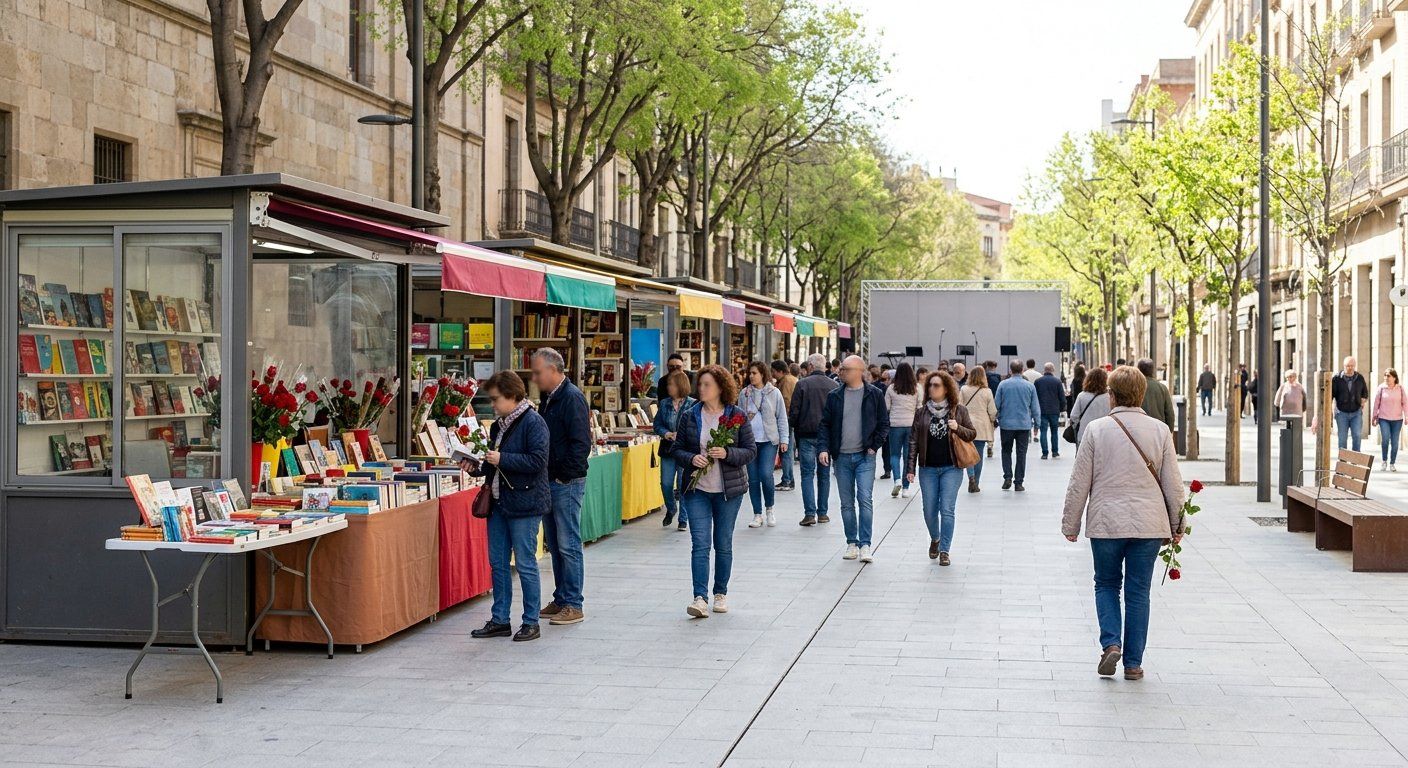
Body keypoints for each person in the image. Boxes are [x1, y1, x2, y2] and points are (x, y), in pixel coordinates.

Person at [1061, 365, 1184, 681]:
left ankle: (1111, 642)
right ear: (1142, 394)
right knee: (1139, 591)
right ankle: (1133, 663)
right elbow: (1173, 483)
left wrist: (1070, 523)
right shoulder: (1159, 431)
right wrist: (1177, 524)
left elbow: (1079, 481)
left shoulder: (1098, 429)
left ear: (1111, 396)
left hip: (1106, 523)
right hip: (1149, 524)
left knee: (1106, 583)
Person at [465, 371, 551, 643]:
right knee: (497, 563)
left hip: (525, 503)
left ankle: (531, 621)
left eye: (496, 399)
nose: (492, 405)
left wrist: (503, 458)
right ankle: (500, 618)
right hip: (499, 502)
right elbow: (494, 466)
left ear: (513, 397)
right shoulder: (497, 426)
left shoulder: (534, 423)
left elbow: (537, 462)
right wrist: (477, 468)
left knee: (525, 563)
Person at [672, 365, 756, 618]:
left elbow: (750, 451)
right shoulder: (690, 415)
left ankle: (720, 592)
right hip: (697, 489)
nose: (702, 389)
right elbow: (676, 449)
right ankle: (699, 597)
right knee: (700, 544)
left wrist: (728, 453)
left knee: (723, 543)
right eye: (700, 384)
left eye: (707, 384)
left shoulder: (736, 415)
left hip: (728, 491)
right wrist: (691, 459)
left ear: (721, 387)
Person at [531, 348, 591, 626]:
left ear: (554, 370)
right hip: (550, 480)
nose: (534, 377)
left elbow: (581, 444)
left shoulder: (572, 397)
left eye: (538, 372)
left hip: (565, 482)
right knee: (555, 544)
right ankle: (562, 597)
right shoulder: (550, 398)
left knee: (568, 544)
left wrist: (562, 476)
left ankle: (574, 603)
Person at [817, 355, 889, 562]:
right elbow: (825, 424)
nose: (841, 372)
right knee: (846, 503)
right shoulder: (835, 396)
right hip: (842, 458)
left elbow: (884, 423)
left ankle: (865, 544)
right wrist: (823, 448)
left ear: (859, 371)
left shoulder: (874, 394)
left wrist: (874, 446)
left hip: (865, 456)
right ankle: (852, 542)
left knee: (864, 499)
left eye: (846, 369)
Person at [906, 371, 976, 567]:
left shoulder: (959, 410)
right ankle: (935, 538)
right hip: (927, 468)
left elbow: (972, 434)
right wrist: (910, 468)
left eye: (936, 385)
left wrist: (957, 428)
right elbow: (913, 442)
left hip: (951, 468)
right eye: (930, 385)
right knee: (929, 510)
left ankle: (945, 550)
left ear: (946, 388)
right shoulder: (921, 412)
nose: (932, 388)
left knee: (947, 509)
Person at [790, 353, 839, 526]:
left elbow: (794, 411)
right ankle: (823, 513)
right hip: (826, 437)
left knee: (807, 474)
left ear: (810, 366)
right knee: (824, 475)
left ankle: (810, 513)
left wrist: (795, 428)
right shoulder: (834, 385)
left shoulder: (802, 384)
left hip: (806, 435)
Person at [741, 361, 789, 528]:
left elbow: (781, 417)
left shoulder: (774, 392)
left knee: (766, 475)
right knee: (753, 479)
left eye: (754, 373)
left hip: (769, 440)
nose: (751, 376)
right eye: (750, 373)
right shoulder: (744, 393)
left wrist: (784, 439)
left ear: (762, 374)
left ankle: (770, 509)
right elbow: (739, 418)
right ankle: (757, 513)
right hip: (750, 441)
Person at [653, 370, 696, 530]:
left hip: (685, 451)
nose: (668, 387)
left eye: (671, 384)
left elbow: (696, 426)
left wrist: (683, 434)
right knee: (665, 483)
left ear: (680, 385)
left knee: (683, 483)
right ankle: (671, 508)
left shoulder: (692, 404)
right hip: (668, 449)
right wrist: (667, 433)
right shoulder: (664, 403)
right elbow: (656, 425)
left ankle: (683, 519)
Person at [994, 360, 1041, 492]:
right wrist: (1037, 423)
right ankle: (1018, 482)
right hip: (1023, 425)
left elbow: (996, 404)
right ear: (1022, 370)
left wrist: (994, 419)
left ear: (1010, 370)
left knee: (1006, 451)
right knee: (1021, 454)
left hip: (1006, 425)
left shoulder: (1003, 385)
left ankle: (1007, 476)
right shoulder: (1029, 386)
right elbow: (1035, 407)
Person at [959, 367, 997, 493]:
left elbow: (959, 407)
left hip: (966, 425)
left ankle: (971, 477)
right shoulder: (987, 391)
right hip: (981, 427)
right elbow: (992, 411)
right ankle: (976, 482)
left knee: (969, 455)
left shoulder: (963, 389)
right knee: (978, 456)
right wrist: (993, 420)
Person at [884, 363, 920, 498]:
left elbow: (886, 407)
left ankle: (897, 479)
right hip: (911, 425)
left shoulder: (891, 389)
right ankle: (905, 488)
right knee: (908, 456)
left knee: (894, 455)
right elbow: (919, 407)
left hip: (895, 425)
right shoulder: (916, 388)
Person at [772, 360, 799, 492]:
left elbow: (785, 402)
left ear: (780, 371)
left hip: (786, 419)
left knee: (786, 450)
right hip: (790, 419)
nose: (773, 374)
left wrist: (782, 418)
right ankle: (788, 479)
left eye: (774, 371)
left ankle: (787, 479)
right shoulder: (792, 379)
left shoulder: (786, 382)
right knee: (787, 450)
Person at [1333, 356, 1369, 451]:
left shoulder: (1359, 378)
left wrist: (1363, 400)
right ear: (1344, 366)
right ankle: (1343, 463)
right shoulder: (1336, 378)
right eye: (1348, 366)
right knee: (1342, 439)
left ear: (1355, 366)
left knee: (1357, 436)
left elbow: (1365, 392)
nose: (1350, 368)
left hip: (1356, 412)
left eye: (1352, 366)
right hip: (1341, 413)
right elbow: (1331, 395)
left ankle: (1355, 462)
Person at [1372, 368, 1405, 471]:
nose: (1386, 378)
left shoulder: (1400, 388)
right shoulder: (1381, 388)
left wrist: (1407, 416)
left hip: (1397, 419)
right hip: (1384, 418)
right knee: (1385, 439)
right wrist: (1374, 416)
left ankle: (1392, 463)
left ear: (1394, 378)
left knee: (1395, 443)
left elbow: (1405, 403)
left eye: (1389, 376)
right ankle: (1384, 461)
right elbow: (1376, 403)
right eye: (1385, 375)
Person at [1070, 367, 1113, 446]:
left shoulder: (1082, 396)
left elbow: (1074, 416)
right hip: (1105, 436)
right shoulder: (1110, 397)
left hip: (1085, 435)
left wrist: (1078, 427)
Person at [1034, 362, 1065, 460]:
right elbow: (1062, 397)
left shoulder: (1038, 381)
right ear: (1053, 370)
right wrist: (1062, 408)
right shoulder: (1057, 381)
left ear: (1044, 370)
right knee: (1054, 432)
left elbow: (1035, 397)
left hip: (1042, 410)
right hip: (1054, 410)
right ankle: (1055, 452)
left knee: (1043, 431)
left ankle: (1044, 453)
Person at [1136, 358, 1175, 432]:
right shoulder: (1162, 388)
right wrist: (1169, 432)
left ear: (1138, 369)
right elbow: (1169, 413)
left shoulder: (1133, 387)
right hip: (1159, 431)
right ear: (1152, 371)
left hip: (1138, 431)